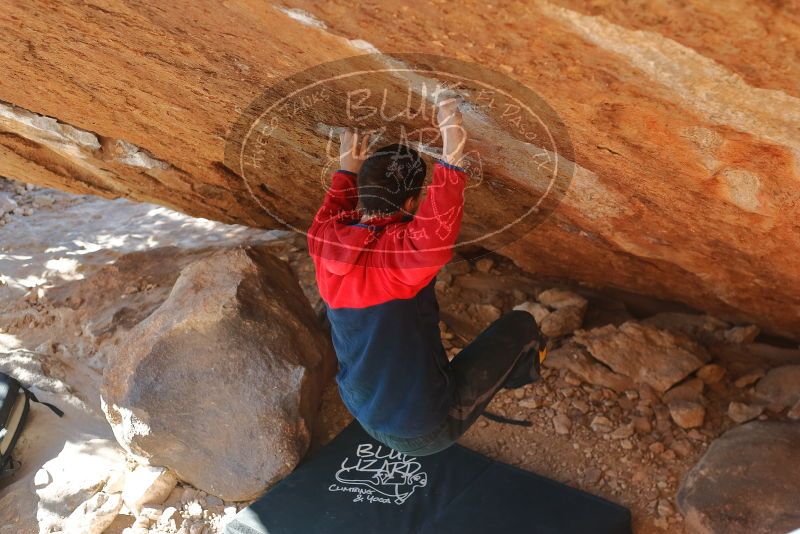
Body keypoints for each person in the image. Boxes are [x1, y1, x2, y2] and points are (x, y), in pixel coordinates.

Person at [308, 99, 545, 456]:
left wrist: (347, 169)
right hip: (425, 428)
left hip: (361, 406)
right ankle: (516, 375)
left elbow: (337, 208)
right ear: (409, 205)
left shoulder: (324, 240)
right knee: (523, 326)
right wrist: (450, 138)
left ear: (362, 193)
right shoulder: (400, 262)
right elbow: (438, 223)